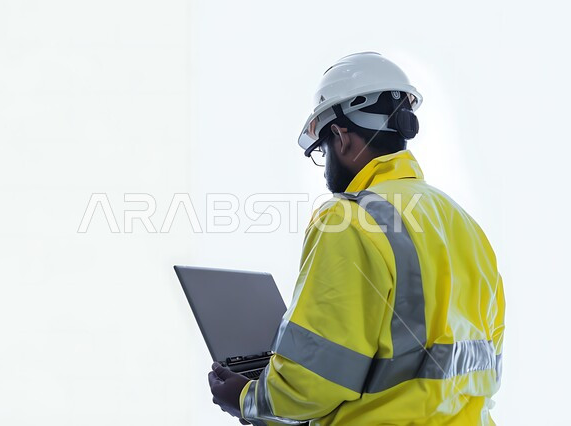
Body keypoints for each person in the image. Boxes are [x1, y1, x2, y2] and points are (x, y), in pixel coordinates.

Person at [208, 52, 505, 425]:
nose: (325, 162)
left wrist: (247, 398)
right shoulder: (462, 223)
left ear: (341, 136)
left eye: (322, 150)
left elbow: (312, 384)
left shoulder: (348, 218)